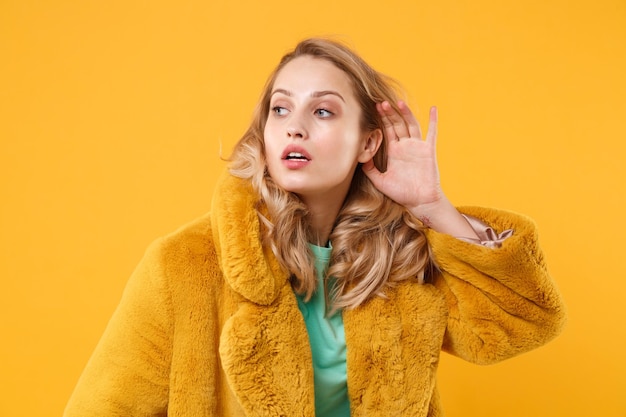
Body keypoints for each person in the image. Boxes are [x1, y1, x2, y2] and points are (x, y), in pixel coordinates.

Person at [64, 38, 566, 417]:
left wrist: (434, 207)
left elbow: (526, 322)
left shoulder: (402, 260)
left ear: (368, 144)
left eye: (322, 110)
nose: (294, 126)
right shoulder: (185, 265)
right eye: (279, 109)